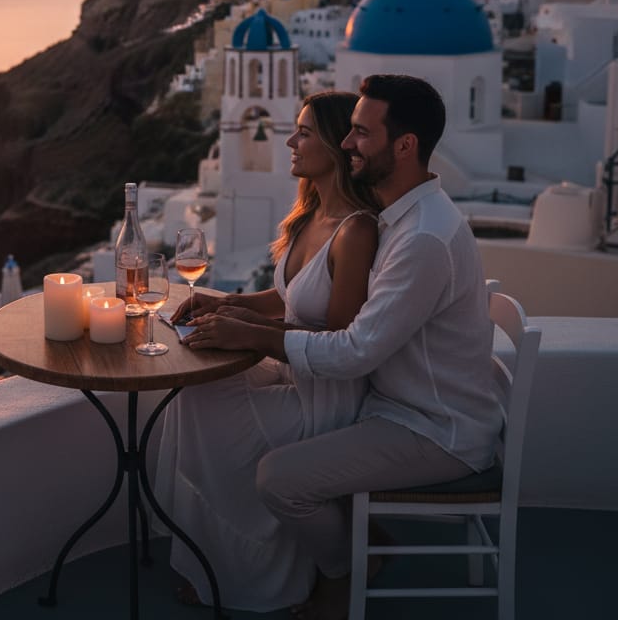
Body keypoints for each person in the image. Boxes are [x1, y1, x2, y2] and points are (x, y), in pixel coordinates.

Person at [188, 74, 501, 620]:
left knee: (279, 479)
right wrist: (239, 314)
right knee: (204, 395)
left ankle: (345, 573)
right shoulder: (400, 219)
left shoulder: (423, 237)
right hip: (393, 406)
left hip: (432, 429)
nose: (348, 143)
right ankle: (265, 553)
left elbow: (353, 350)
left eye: (360, 132)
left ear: (404, 146)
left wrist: (254, 335)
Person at [153, 90, 381, 612]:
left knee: (207, 413)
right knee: (192, 388)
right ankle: (212, 560)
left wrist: (249, 331)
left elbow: (339, 341)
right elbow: (285, 298)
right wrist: (226, 303)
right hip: (292, 373)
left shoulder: (356, 231)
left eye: (304, 132)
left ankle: (255, 575)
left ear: (336, 144)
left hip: (326, 398)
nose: (290, 140)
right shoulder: (311, 214)